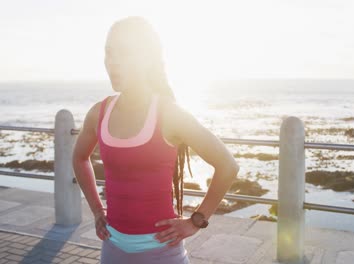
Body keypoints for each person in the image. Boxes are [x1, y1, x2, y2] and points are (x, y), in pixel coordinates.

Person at [72, 16, 240, 264]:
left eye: (125, 53)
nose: (113, 62)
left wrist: (196, 220)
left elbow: (227, 165)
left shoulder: (168, 113)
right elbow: (79, 157)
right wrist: (97, 210)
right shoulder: (99, 112)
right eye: (109, 53)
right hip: (112, 249)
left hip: (161, 253)